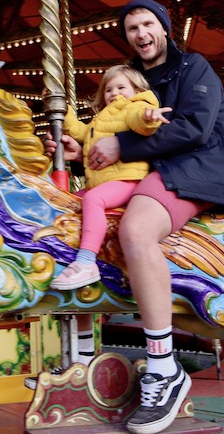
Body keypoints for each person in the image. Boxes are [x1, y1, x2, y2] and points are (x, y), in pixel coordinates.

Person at [48, 0, 224, 434]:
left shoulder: (193, 68)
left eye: (148, 24)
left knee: (135, 230)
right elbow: (117, 146)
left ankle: (162, 364)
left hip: (194, 170)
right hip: (147, 173)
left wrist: (123, 147)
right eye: (132, 28)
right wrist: (88, 155)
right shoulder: (130, 79)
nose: (141, 34)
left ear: (164, 27)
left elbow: (195, 127)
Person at [50, 64, 170, 290]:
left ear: (136, 90)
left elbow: (140, 122)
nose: (114, 93)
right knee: (69, 202)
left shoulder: (135, 107)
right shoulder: (100, 119)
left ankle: (86, 262)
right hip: (104, 181)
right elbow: (80, 132)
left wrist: (149, 117)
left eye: (121, 87)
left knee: (93, 199)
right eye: (108, 90)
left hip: (128, 181)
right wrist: (63, 111)